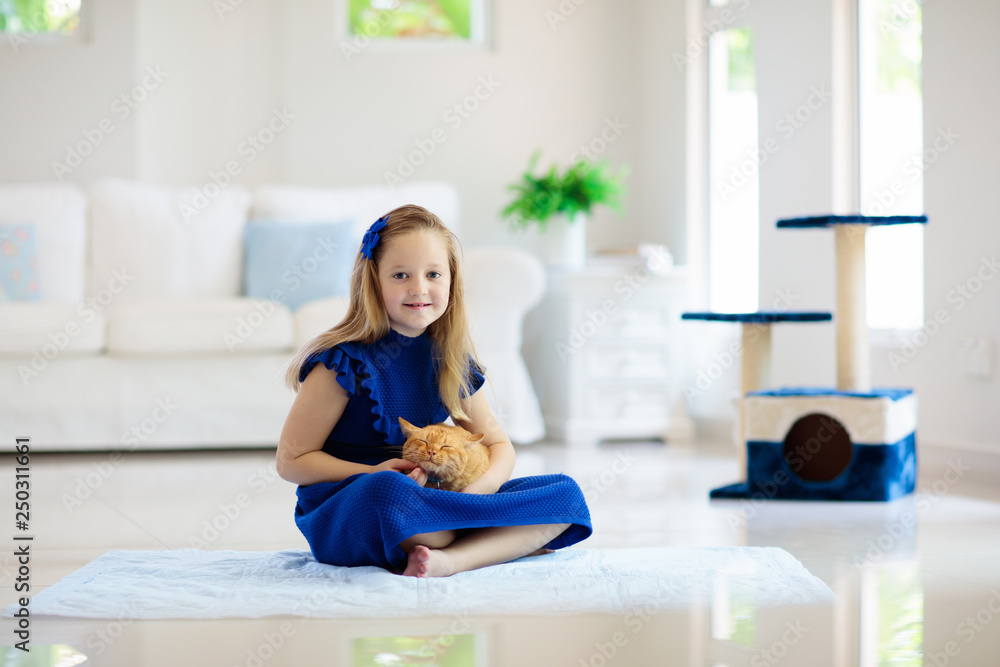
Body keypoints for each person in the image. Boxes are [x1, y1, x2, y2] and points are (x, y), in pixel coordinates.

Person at [276, 204, 591, 578]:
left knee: (564, 492)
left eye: (433, 274)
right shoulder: (341, 362)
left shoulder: (450, 358)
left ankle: (451, 559)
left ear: (451, 282)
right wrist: (372, 470)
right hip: (352, 507)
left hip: (431, 504)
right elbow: (291, 461)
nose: (418, 288)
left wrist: (480, 491)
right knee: (388, 490)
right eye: (400, 275)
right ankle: (502, 540)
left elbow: (499, 445)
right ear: (373, 281)